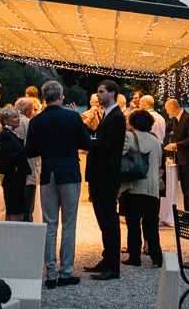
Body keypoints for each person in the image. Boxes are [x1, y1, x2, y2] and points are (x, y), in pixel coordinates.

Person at [24, 80, 92, 289]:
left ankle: (50, 273)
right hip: (69, 173)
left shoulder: (37, 121)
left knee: (50, 224)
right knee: (69, 225)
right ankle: (66, 272)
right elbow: (87, 144)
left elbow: (30, 152)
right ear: (61, 96)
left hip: (47, 174)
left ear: (44, 98)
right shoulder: (72, 117)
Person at [83, 80, 126, 281]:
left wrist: (89, 142)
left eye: (101, 92)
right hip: (100, 176)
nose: (98, 95)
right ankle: (106, 259)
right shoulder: (108, 114)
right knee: (103, 221)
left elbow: (110, 146)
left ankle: (112, 267)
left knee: (109, 221)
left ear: (112, 93)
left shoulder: (117, 117)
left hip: (106, 176)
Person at [120, 109, 164, 268]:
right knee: (151, 224)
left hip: (134, 186)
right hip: (152, 189)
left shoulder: (130, 137)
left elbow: (120, 156)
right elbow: (159, 164)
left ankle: (134, 256)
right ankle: (156, 257)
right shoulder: (157, 141)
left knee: (133, 224)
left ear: (132, 122)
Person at [0, 106, 31, 221]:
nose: (18, 119)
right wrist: (24, 148)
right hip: (13, 177)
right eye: (15, 117)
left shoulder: (10, 134)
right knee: (15, 209)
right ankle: (15, 233)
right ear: (5, 120)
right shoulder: (5, 135)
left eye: (18, 116)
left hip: (16, 176)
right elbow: (9, 158)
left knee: (18, 208)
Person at [163, 98, 189, 210]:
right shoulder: (174, 120)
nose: (167, 112)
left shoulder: (188, 119)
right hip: (181, 159)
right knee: (183, 187)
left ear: (173, 107)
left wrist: (176, 145)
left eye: (167, 110)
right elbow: (165, 128)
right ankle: (188, 213)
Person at [15, 97, 41, 221]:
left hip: (11, 172)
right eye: (32, 109)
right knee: (27, 207)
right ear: (26, 110)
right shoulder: (29, 123)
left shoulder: (5, 124)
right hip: (29, 169)